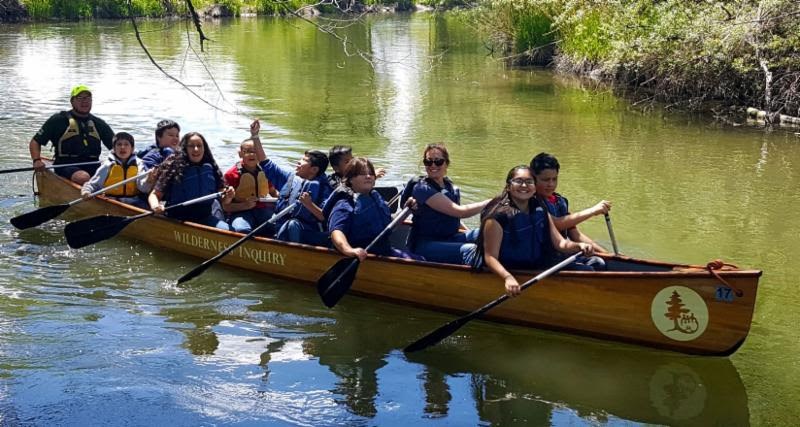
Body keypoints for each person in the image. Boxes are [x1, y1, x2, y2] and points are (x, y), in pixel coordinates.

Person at [471, 165, 595, 296]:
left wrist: (579, 246)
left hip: (537, 264)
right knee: (588, 270)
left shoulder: (540, 209)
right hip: (512, 269)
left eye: (529, 182)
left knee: (596, 263)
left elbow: (560, 243)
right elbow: (490, 257)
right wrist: (508, 277)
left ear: (535, 187)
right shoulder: (497, 218)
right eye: (518, 181)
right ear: (508, 186)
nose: (524, 186)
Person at [406, 143, 491, 264]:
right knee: (471, 250)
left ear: (446, 163)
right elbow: (460, 212)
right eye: (428, 162)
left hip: (450, 237)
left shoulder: (449, 185)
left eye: (438, 161)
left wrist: (467, 233)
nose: (433, 165)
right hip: (426, 245)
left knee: (487, 232)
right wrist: (491, 202)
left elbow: (452, 216)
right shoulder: (422, 189)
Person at [325, 157, 420, 260]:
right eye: (362, 173)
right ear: (351, 179)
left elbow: (390, 226)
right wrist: (349, 250)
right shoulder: (344, 204)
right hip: (364, 255)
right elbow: (336, 232)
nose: (368, 176)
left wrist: (406, 211)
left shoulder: (374, 198)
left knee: (420, 259)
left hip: (384, 251)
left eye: (371, 173)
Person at [29, 85, 115, 184]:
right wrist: (36, 160)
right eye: (80, 98)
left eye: (88, 98)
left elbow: (116, 146)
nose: (85, 101)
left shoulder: (99, 123)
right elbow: (35, 142)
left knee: (119, 176)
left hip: (93, 164)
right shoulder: (58, 120)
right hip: (65, 165)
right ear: (72, 101)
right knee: (83, 177)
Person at [148, 132, 234, 230]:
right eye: (191, 146)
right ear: (185, 149)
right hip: (177, 219)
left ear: (204, 148)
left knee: (230, 230)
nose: (196, 149)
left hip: (204, 217)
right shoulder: (174, 166)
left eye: (199, 146)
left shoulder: (210, 166)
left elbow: (223, 198)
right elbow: (154, 195)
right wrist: (155, 206)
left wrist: (228, 196)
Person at [530, 152, 611, 253]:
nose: (551, 184)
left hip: (562, 254)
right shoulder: (532, 202)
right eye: (545, 180)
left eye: (554, 179)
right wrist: (592, 211)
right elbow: (557, 224)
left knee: (600, 262)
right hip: (544, 258)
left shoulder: (560, 201)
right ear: (533, 179)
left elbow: (575, 235)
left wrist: (606, 254)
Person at [258, 142, 331, 243]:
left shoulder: (324, 188)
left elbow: (325, 217)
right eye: (301, 158)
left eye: (304, 160)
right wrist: (255, 137)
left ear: (314, 169)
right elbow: (265, 163)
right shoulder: (291, 178)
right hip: (281, 224)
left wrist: (309, 205)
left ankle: (296, 253)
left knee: (292, 225)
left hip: (308, 232)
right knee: (264, 218)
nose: (299, 162)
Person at [223, 119, 278, 233]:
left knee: (278, 226)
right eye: (247, 151)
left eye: (255, 151)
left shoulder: (266, 171)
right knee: (241, 229)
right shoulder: (230, 174)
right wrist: (245, 205)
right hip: (240, 212)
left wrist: (285, 198)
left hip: (263, 210)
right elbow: (225, 206)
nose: (252, 154)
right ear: (240, 154)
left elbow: (273, 192)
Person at [80, 132, 151, 208]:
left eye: (126, 144)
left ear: (132, 149)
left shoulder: (139, 164)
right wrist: (86, 192)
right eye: (119, 144)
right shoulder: (107, 165)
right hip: (111, 201)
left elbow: (144, 188)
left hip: (134, 201)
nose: (122, 147)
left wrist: (149, 180)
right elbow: (93, 184)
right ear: (114, 149)